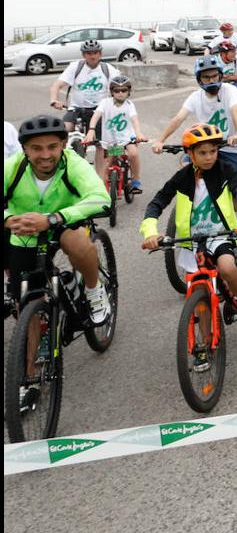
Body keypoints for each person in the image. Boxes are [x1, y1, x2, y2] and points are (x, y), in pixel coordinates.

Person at [140, 123, 237, 331]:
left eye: (213, 151)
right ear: (190, 153)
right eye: (202, 153)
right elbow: (157, 203)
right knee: (199, 296)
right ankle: (203, 347)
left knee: (227, 267)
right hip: (192, 241)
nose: (209, 157)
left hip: (220, 235)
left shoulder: (225, 170)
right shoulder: (182, 178)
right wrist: (150, 232)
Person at [5, 114, 112, 328]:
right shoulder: (12, 167)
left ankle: (93, 289)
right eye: (36, 148)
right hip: (24, 230)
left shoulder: (74, 163)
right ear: (24, 148)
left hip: (64, 222)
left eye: (52, 147)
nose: (45, 155)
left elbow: (101, 199)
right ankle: (31, 358)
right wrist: (8, 219)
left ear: (63, 145)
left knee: (79, 243)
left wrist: (54, 218)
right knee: (26, 306)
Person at [151, 55, 237, 176]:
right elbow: (178, 118)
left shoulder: (230, 90)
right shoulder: (195, 97)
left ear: (220, 75)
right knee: (189, 178)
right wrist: (160, 140)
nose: (211, 80)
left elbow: (236, 110)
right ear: (199, 79)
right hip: (205, 147)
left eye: (214, 76)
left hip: (231, 147)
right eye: (206, 77)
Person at [48, 39, 117, 173]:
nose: (92, 56)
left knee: (101, 144)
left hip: (99, 111)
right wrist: (54, 100)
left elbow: (119, 86)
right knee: (63, 131)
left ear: (100, 54)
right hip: (76, 109)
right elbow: (57, 85)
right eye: (89, 53)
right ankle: (61, 167)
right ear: (83, 55)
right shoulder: (76, 67)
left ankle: (98, 178)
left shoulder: (107, 68)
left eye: (96, 52)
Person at [84, 75, 147, 190]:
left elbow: (135, 120)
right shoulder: (105, 103)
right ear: (112, 92)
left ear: (129, 91)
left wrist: (138, 133)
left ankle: (136, 180)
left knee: (133, 154)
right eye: (116, 90)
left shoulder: (129, 105)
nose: (120, 93)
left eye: (124, 90)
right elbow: (96, 116)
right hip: (110, 140)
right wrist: (91, 130)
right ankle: (104, 192)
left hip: (127, 138)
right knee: (107, 164)